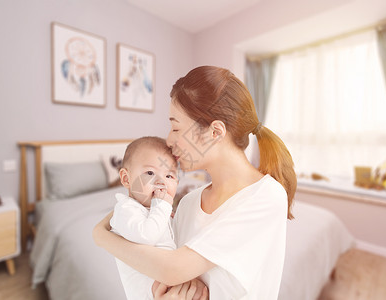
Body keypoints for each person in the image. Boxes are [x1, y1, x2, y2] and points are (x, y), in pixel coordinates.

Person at [93, 66, 296, 299]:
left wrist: (101, 235)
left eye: (176, 127)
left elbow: (172, 269)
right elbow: (167, 280)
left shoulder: (266, 195)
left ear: (215, 132)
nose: (168, 140)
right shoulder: (189, 203)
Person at [110, 136, 179, 300]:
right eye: (150, 173)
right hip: (149, 294)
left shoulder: (155, 210)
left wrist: (166, 215)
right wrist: (161, 208)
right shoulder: (125, 209)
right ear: (126, 179)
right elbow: (147, 236)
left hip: (169, 283)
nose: (161, 182)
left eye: (169, 176)